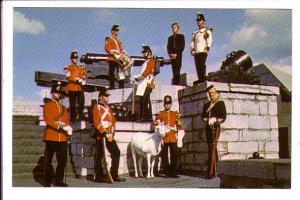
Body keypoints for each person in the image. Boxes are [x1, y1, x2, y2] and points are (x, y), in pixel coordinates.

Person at [92, 87, 126, 182]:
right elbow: (97, 122)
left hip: (109, 135)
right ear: (100, 97)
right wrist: (105, 133)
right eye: (105, 96)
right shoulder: (96, 107)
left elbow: (113, 122)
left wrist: (112, 134)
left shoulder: (108, 108)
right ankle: (98, 176)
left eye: (107, 96)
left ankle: (114, 174)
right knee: (99, 156)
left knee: (116, 152)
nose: (107, 98)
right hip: (101, 135)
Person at [43, 82, 73, 187]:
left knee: (62, 160)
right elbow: (48, 120)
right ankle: (47, 180)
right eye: (56, 92)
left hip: (62, 137)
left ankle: (59, 180)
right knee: (48, 159)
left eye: (59, 93)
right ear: (52, 93)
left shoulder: (63, 107)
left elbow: (66, 120)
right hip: (51, 136)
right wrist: (60, 126)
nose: (58, 94)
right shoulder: (47, 105)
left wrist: (68, 127)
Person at [201, 85, 226, 179]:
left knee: (213, 147)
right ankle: (217, 170)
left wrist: (215, 120)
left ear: (216, 93)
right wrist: (208, 120)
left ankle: (210, 173)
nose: (211, 95)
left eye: (213, 93)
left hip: (216, 128)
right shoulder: (206, 105)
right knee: (211, 148)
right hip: (208, 128)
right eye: (210, 93)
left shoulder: (220, 103)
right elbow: (203, 116)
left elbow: (223, 116)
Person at [155, 95, 183, 178]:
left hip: (172, 136)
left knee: (175, 153)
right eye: (166, 103)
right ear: (164, 104)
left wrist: (179, 125)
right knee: (164, 154)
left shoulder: (175, 113)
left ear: (171, 104)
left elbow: (179, 125)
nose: (167, 105)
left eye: (169, 103)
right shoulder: (161, 113)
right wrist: (157, 123)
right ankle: (167, 172)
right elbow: (157, 123)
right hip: (164, 137)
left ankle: (173, 171)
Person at [133, 45, 156, 122]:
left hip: (148, 83)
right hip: (143, 83)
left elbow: (146, 73)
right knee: (142, 100)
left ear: (148, 53)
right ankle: (143, 116)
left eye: (144, 52)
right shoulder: (145, 62)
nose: (143, 54)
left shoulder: (151, 61)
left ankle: (147, 117)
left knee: (146, 100)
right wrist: (137, 77)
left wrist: (137, 77)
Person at [191, 12, 213, 83]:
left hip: (203, 51)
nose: (198, 22)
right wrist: (192, 50)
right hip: (196, 52)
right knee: (197, 67)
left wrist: (207, 48)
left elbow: (209, 40)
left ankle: (203, 79)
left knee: (202, 65)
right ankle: (200, 79)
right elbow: (192, 42)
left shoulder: (207, 30)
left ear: (203, 21)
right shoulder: (195, 33)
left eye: (199, 20)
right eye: (197, 21)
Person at [65, 51, 86, 122]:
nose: (75, 59)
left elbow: (84, 75)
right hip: (72, 87)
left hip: (80, 88)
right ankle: (73, 118)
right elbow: (68, 77)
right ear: (71, 59)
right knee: (73, 105)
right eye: (74, 58)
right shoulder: (69, 67)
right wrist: (76, 80)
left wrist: (84, 80)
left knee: (82, 103)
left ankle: (79, 116)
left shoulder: (80, 67)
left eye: (76, 58)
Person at [105, 24, 125, 89]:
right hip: (112, 58)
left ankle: (121, 87)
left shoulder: (119, 41)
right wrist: (113, 53)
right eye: (115, 30)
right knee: (112, 73)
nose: (116, 32)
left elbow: (121, 50)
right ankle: (112, 87)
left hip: (119, 59)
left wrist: (123, 52)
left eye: (117, 31)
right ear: (112, 31)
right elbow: (107, 48)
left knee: (121, 73)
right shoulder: (109, 39)